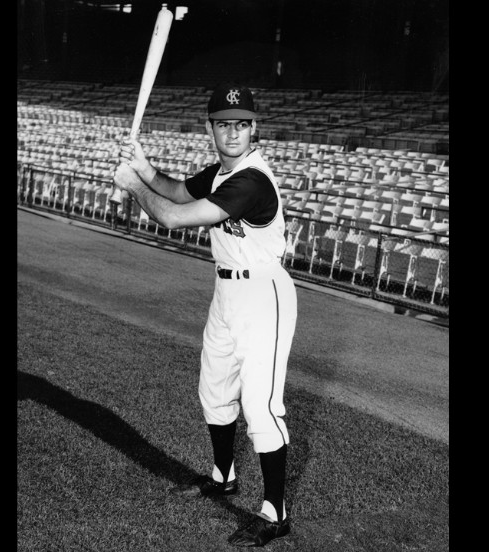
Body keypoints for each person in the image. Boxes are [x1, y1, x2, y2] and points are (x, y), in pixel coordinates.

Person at [113, 83, 297, 547]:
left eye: (241, 123)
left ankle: (275, 513)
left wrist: (132, 186)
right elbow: (174, 191)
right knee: (213, 391)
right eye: (223, 123)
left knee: (261, 407)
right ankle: (222, 476)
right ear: (209, 128)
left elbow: (174, 217)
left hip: (264, 295)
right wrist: (142, 167)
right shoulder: (220, 173)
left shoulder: (251, 180)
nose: (232, 131)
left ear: (255, 129)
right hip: (226, 291)